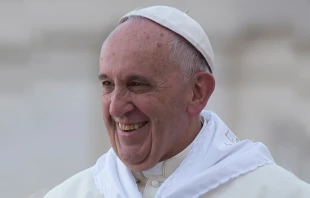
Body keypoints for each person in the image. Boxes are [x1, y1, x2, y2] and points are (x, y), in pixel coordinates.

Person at [44, 5, 310, 198]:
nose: (116, 108)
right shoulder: (71, 194)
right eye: (107, 85)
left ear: (197, 92)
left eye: (137, 84)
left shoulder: (276, 192)